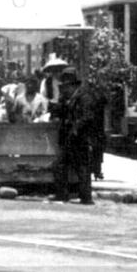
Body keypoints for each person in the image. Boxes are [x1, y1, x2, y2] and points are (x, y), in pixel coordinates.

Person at [52, 67, 98, 205]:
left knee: (82, 168)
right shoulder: (67, 98)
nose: (63, 90)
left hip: (80, 138)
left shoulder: (85, 97)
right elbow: (61, 113)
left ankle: (85, 197)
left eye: (65, 86)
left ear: (72, 86)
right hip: (68, 138)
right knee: (60, 165)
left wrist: (76, 128)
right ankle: (62, 195)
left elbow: (88, 117)